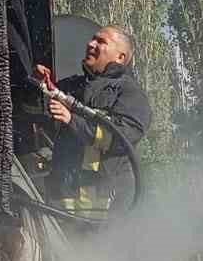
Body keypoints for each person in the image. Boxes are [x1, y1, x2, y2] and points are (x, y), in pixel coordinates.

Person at [45, 26, 152, 217]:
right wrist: (39, 82)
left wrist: (71, 120)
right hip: (61, 205)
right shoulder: (73, 86)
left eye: (101, 42)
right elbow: (38, 111)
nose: (90, 44)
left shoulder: (130, 94)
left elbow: (121, 139)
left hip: (105, 215)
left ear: (120, 57)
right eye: (92, 39)